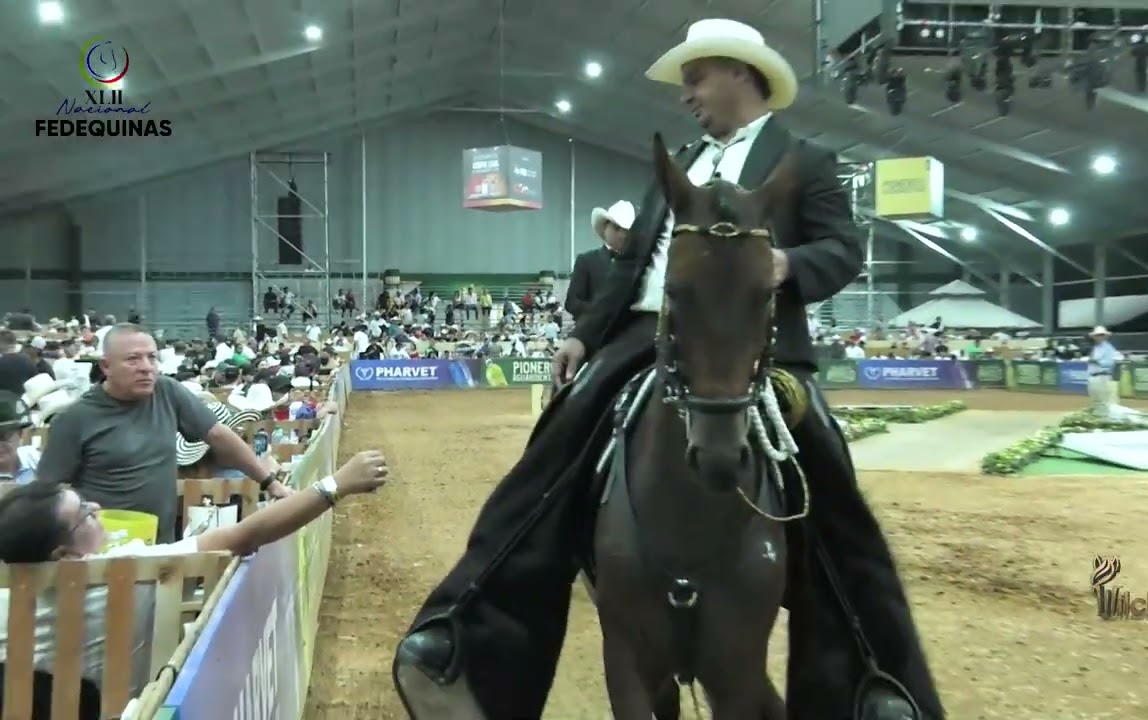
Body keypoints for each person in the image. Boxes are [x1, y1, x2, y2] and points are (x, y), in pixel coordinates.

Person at [393, 18, 942, 720]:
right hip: (644, 339)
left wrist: (785, 264)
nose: (686, 95)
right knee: (549, 453)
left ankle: (874, 679)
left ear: (740, 72)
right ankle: (460, 629)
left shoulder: (805, 160)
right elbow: (632, 268)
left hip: (758, 346)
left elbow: (843, 249)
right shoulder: (679, 161)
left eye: (695, 78)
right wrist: (584, 336)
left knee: (831, 477)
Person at [0, 449, 390, 704]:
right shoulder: (124, 573)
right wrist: (335, 485)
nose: (97, 507)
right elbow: (241, 537)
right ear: (64, 555)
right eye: (84, 513)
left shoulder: (8, 596)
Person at [36, 324, 293, 544]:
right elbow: (47, 491)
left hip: (161, 545)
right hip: (104, 548)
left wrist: (269, 482)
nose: (146, 367)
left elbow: (218, 435)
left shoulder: (166, 392)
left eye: (152, 358)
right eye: (133, 359)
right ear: (106, 366)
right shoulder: (75, 419)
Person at [565, 199, 636, 318]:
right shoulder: (586, 261)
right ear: (605, 228)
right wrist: (600, 311)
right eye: (616, 228)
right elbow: (572, 303)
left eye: (626, 230)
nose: (621, 234)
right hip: (592, 327)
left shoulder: (637, 263)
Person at [1086, 325, 1119, 417]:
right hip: (1093, 376)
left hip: (1103, 376)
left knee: (1107, 402)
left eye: (1101, 335)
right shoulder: (1095, 348)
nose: (1099, 337)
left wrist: (1096, 361)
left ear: (1105, 336)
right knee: (1096, 401)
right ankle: (1099, 418)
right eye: (1097, 335)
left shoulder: (1108, 348)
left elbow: (1110, 363)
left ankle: (1110, 419)